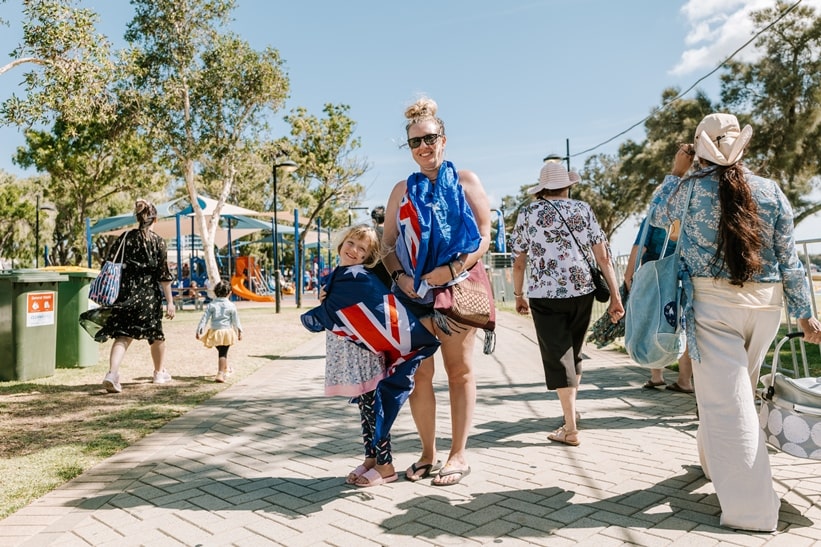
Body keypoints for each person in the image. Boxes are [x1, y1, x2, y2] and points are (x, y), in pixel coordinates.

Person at [648, 112, 821, 532]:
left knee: (729, 405)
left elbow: (656, 219)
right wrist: (806, 315)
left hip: (712, 305)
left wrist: (676, 172)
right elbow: (790, 260)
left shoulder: (685, 190)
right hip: (766, 306)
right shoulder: (770, 189)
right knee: (734, 392)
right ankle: (713, 465)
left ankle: (752, 512)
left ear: (698, 149)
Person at [381, 97, 491, 486]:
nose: (423, 147)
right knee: (420, 374)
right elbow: (388, 243)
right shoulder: (401, 190)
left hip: (456, 290)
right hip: (413, 294)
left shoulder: (466, 181)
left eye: (429, 138)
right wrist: (400, 275)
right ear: (409, 148)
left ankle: (458, 455)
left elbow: (484, 237)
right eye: (415, 142)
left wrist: (453, 268)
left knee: (459, 372)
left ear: (443, 139)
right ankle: (428, 454)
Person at [302, 224, 440, 487]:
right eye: (352, 243)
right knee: (365, 410)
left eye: (362, 249)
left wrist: (319, 310)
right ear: (342, 242)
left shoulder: (359, 278)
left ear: (368, 258)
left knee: (375, 408)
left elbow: (376, 310)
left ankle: (385, 465)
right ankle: (370, 458)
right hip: (350, 354)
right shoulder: (338, 275)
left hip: (364, 355)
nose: (354, 250)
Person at [511, 162, 624, 447]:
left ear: (542, 188)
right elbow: (603, 256)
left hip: (544, 295)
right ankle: (570, 413)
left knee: (558, 356)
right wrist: (616, 295)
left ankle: (570, 427)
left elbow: (519, 260)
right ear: (567, 185)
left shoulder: (528, 213)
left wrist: (518, 294)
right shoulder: (583, 209)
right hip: (582, 291)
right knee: (572, 353)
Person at [98, 199, 176, 393]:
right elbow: (164, 275)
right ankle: (159, 373)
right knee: (156, 335)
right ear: (155, 219)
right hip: (149, 294)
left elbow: (109, 262)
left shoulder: (125, 238)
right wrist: (170, 302)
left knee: (123, 335)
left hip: (126, 292)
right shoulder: (158, 242)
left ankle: (112, 374)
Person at [623, 217, 694, 394]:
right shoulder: (689, 214)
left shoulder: (656, 216)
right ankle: (684, 381)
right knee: (682, 324)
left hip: (655, 275)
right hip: (683, 273)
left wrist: (628, 275)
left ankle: (657, 376)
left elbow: (640, 246)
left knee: (653, 320)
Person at [195, 281, 243, 383]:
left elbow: (205, 318)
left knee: (222, 351)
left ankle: (226, 368)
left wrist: (199, 329)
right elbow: (235, 320)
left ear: (215, 292)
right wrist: (239, 331)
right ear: (229, 293)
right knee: (223, 353)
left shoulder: (211, 305)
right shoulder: (231, 305)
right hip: (226, 333)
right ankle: (220, 373)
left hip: (215, 332)